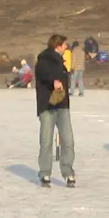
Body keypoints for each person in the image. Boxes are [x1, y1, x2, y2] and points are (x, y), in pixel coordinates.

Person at [35, 34, 76, 188]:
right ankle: (45, 173)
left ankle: (68, 172)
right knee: (46, 141)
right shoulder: (44, 60)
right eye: (65, 44)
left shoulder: (61, 63)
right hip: (47, 107)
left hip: (62, 106)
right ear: (58, 45)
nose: (67, 47)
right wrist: (54, 81)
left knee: (68, 140)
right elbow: (44, 74)